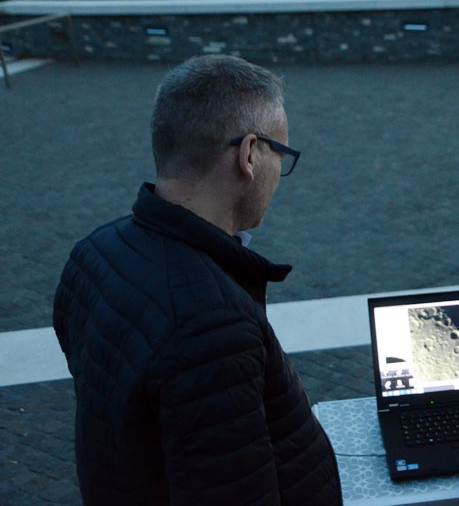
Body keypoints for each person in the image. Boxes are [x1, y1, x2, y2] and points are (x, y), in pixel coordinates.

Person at [53, 55, 342, 505]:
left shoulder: (94, 254)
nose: (279, 175)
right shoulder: (211, 323)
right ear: (249, 154)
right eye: (280, 155)